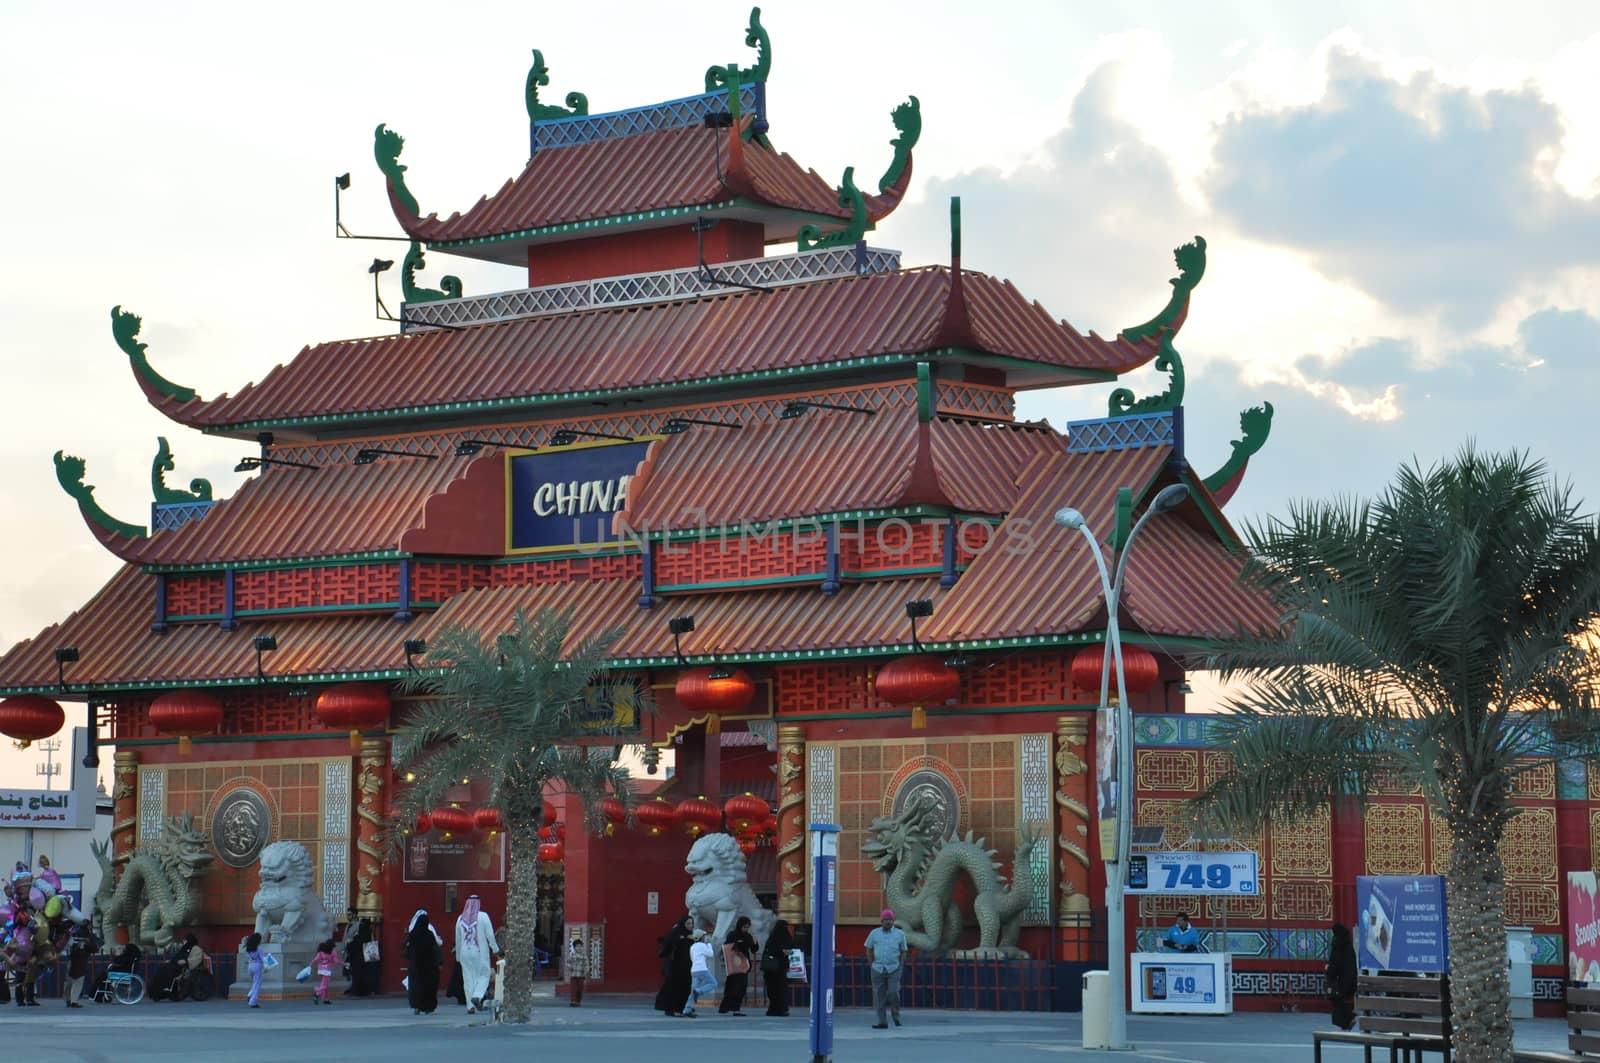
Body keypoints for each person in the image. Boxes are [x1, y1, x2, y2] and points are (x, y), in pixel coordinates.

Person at [455, 895, 500, 1014]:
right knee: (484, 975)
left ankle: (470, 1006)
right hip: (479, 952)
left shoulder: (460, 918)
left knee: (468, 978)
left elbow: (458, 939)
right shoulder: (483, 916)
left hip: (464, 952)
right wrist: (495, 949)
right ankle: (477, 996)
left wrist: (458, 956)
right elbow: (490, 935)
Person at [865, 908, 908, 1030]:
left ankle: (896, 1015)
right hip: (877, 968)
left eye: (890, 920)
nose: (888, 922)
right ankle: (882, 1021)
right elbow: (868, 947)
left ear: (893, 921)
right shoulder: (874, 933)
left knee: (893, 992)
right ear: (881, 921)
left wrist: (901, 964)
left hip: (894, 968)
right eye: (885, 920)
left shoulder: (900, 934)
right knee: (879, 996)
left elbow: (904, 950)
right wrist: (871, 963)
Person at [654, 915, 693, 1017]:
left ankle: (682, 1009)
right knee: (675, 988)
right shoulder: (676, 933)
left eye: (691, 923)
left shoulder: (692, 935)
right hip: (676, 966)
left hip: (688, 966)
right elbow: (667, 945)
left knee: (686, 988)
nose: (690, 926)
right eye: (688, 923)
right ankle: (672, 1009)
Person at [719, 915, 757, 1016]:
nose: (746, 929)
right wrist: (737, 945)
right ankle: (725, 1007)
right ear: (740, 926)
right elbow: (727, 947)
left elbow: (753, 950)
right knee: (730, 987)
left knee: (741, 987)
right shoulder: (732, 935)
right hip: (733, 965)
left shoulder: (748, 936)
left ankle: (736, 1008)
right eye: (744, 927)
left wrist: (755, 943)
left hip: (743, 965)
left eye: (747, 927)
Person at [405, 911, 441, 1015]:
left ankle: (417, 1005)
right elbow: (434, 949)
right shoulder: (429, 934)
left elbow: (407, 949)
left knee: (416, 986)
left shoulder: (413, 934)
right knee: (429, 987)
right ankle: (428, 1007)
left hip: (415, 965)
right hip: (428, 966)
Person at [1326, 922, 1358, 1031]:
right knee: (1343, 1001)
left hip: (1339, 980)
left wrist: (1329, 971)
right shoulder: (1348, 945)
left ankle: (1345, 1021)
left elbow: (1335, 963)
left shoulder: (1337, 945)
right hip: (1349, 979)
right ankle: (1347, 1019)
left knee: (1338, 1000)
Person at [760, 919, 793, 1017]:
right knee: (779, 990)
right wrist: (782, 952)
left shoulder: (772, 938)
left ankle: (777, 1009)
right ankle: (779, 1009)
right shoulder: (782, 938)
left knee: (775, 990)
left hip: (772, 969)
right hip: (778, 968)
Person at [683, 929, 715, 1017]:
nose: (705, 938)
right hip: (702, 969)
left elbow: (692, 958)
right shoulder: (702, 945)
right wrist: (709, 944)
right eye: (704, 936)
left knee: (692, 992)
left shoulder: (692, 946)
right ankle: (699, 991)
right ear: (701, 937)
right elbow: (711, 954)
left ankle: (687, 1009)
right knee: (713, 983)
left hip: (694, 970)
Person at [63, 921, 91, 1008]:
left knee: (69, 980)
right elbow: (92, 946)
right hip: (81, 959)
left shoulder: (72, 933)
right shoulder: (87, 934)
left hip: (71, 959)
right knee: (78, 980)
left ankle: (67, 999)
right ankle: (74, 1001)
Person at [343, 915, 370, 996]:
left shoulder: (359, 935)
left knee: (356, 974)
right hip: (364, 956)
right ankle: (362, 990)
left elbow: (355, 944)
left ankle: (356, 990)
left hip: (357, 956)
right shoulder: (367, 932)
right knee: (362, 974)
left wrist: (350, 944)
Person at [310, 939, 340, 1006]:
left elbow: (316, 959)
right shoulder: (333, 952)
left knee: (325, 985)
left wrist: (311, 963)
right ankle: (317, 992)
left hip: (320, 969)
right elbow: (337, 961)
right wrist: (344, 964)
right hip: (327, 970)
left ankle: (326, 999)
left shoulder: (321, 951)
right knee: (325, 985)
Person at [243, 932, 264, 1008]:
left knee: (255, 983)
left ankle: (250, 995)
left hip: (250, 965)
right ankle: (253, 1002)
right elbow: (263, 959)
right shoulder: (259, 949)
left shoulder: (248, 948)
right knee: (257, 984)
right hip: (257, 966)